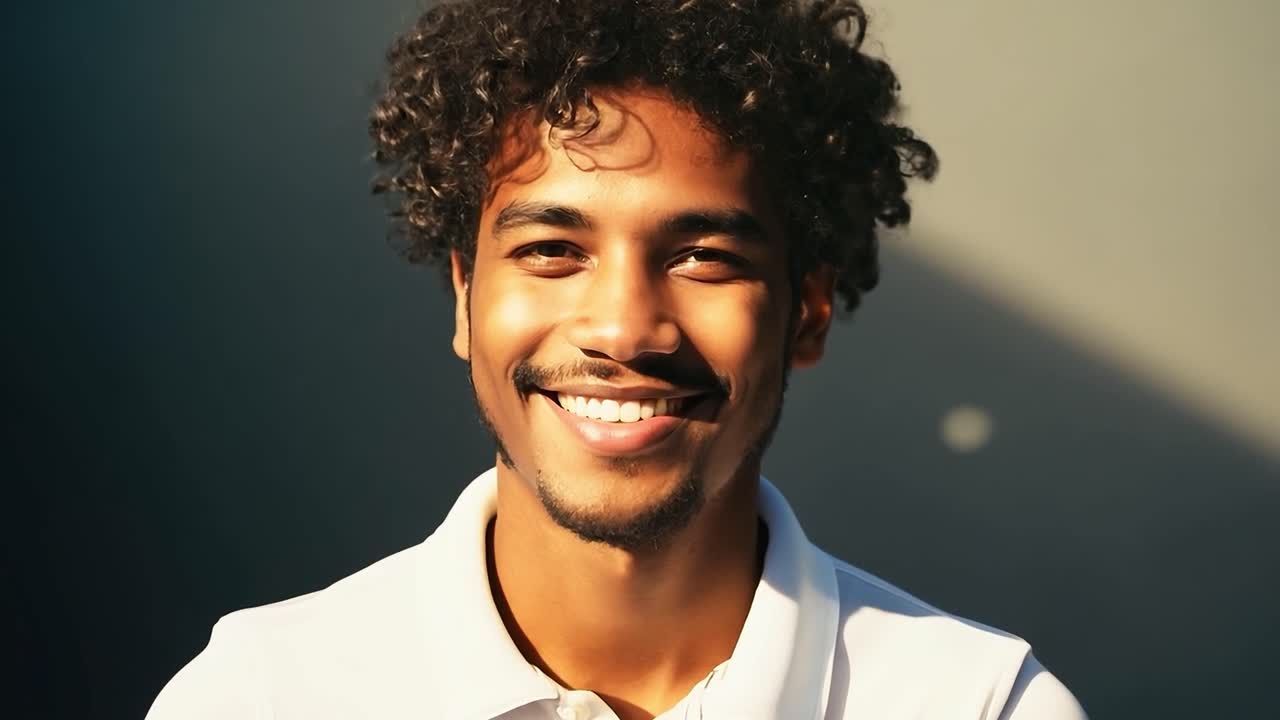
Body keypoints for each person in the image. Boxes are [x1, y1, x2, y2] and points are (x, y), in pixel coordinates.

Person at [148, 1, 1087, 718]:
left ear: (806, 311)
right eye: (553, 251)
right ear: (467, 297)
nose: (625, 329)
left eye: (703, 257)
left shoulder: (981, 705)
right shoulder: (263, 695)